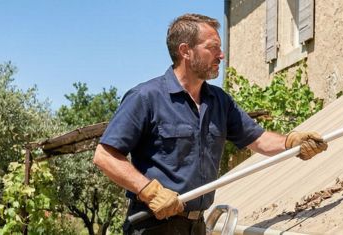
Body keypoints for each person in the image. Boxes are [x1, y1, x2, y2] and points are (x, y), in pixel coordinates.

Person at [92, 13, 328, 235]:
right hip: (152, 226)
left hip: (197, 226)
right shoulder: (146, 97)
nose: (221, 55)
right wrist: (148, 190)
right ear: (185, 51)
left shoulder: (219, 101)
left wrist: (292, 143)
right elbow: (105, 156)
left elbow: (258, 139)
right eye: (212, 47)